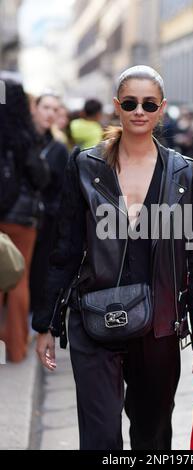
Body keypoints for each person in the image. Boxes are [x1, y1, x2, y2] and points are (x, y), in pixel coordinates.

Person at [33, 65, 193, 450]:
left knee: (152, 439)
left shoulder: (186, 174)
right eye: (130, 102)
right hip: (94, 317)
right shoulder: (85, 166)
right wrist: (47, 324)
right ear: (117, 106)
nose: (139, 111)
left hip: (160, 327)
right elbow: (64, 249)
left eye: (148, 104)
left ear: (161, 108)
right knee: (100, 440)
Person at [0, 80, 50, 362]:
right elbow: (40, 176)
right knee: (18, 279)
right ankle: (15, 349)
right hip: (21, 221)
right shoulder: (24, 135)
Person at [30, 93, 69, 317]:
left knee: (38, 272)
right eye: (46, 107)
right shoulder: (21, 139)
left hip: (45, 222)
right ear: (34, 108)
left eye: (55, 109)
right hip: (18, 218)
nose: (50, 113)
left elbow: (61, 189)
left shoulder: (58, 148)